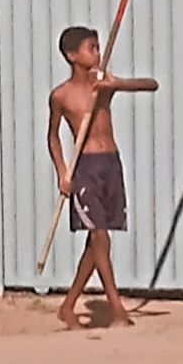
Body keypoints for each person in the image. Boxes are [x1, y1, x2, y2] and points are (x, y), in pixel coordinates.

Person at [47, 26, 158, 329]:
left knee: (96, 243)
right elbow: (53, 138)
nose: (97, 53)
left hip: (110, 164)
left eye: (98, 47)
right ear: (72, 56)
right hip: (85, 169)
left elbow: (152, 84)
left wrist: (117, 83)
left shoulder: (103, 86)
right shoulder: (61, 96)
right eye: (91, 48)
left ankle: (68, 306)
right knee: (99, 237)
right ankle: (117, 308)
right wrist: (62, 173)